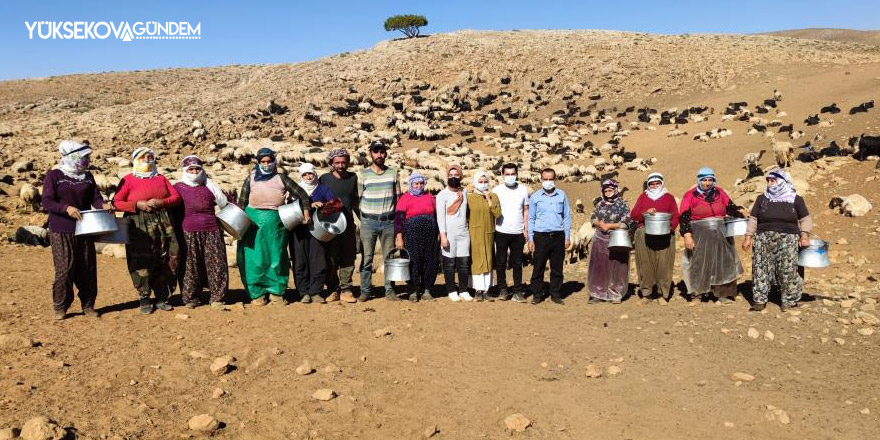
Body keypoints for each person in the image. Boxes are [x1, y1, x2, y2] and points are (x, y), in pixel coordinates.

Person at [237, 147, 311, 306]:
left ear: (274, 162)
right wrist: (238, 224)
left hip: (276, 224)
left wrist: (306, 214)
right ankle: (257, 293)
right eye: (262, 161)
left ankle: (276, 292)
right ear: (258, 162)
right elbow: (242, 203)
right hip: (253, 224)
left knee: (276, 257)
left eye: (269, 161)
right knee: (255, 259)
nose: (266, 164)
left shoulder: (282, 178)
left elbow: (303, 195)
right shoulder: (250, 179)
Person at [41, 140, 106, 319]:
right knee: (65, 268)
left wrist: (103, 205)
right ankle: (60, 306)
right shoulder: (55, 175)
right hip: (61, 228)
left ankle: (88, 305)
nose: (87, 160)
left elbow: (96, 197)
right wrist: (66, 208)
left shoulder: (87, 176)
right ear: (72, 156)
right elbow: (46, 201)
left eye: (88, 157)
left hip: (85, 227)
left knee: (87, 267)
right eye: (84, 157)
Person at [113, 147, 181, 314]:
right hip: (138, 223)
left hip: (163, 222)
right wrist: (137, 204)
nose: (147, 160)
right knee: (141, 259)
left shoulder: (160, 178)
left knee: (165, 256)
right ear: (136, 159)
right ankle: (144, 297)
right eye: (143, 157)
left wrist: (161, 203)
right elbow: (117, 201)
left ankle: (162, 296)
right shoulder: (128, 180)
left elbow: (176, 197)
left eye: (150, 157)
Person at [742, 168, 812, 311]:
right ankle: (759, 300)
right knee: (760, 268)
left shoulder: (795, 199)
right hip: (763, 238)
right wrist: (747, 237)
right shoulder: (762, 198)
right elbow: (753, 218)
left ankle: (789, 300)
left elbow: (805, 219)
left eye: (773, 180)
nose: (770, 183)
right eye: (768, 180)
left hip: (788, 239)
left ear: (782, 181)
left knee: (788, 269)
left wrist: (804, 235)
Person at [678, 167, 747, 303]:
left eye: (710, 180)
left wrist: (741, 212)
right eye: (704, 180)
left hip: (721, 233)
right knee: (699, 262)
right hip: (699, 233)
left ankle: (723, 294)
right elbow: (684, 216)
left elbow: (730, 208)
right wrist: (687, 235)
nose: (707, 183)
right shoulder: (690, 195)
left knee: (723, 261)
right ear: (699, 180)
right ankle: (697, 293)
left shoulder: (720, 193)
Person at [172, 155, 229, 309]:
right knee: (190, 265)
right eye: (191, 169)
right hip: (188, 232)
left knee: (216, 263)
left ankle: (217, 297)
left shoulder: (209, 186)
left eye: (197, 168)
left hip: (212, 230)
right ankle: (191, 297)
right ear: (185, 170)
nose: (195, 171)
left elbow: (225, 202)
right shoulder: (178, 187)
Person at [358, 141, 402, 302]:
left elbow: (398, 199)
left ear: (386, 154)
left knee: (389, 257)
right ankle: (365, 290)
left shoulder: (393, 173)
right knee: (367, 257)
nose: (379, 155)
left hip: (388, 222)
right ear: (371, 154)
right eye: (376, 152)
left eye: (382, 152)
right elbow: (359, 198)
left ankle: (390, 290)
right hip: (368, 222)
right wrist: (363, 219)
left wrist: (398, 224)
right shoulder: (363, 174)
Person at [630, 173, 679, 302]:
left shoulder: (669, 198)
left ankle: (662, 294)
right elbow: (634, 215)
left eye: (657, 183)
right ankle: (646, 294)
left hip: (665, 234)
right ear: (648, 185)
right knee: (645, 264)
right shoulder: (643, 197)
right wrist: (645, 213)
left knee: (664, 264)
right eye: (652, 184)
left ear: (662, 183)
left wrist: (670, 229)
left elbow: (675, 215)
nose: (655, 186)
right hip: (644, 233)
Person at [291, 163, 336, 304]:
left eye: (310, 173)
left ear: (315, 174)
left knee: (318, 260)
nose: (308, 177)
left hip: (318, 230)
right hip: (299, 230)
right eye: (304, 174)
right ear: (301, 176)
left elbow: (335, 204)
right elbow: (290, 207)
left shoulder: (322, 189)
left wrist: (323, 207)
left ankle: (316, 291)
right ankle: (303, 292)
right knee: (300, 260)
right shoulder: (295, 190)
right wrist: (310, 205)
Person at [319, 149, 359, 303]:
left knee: (348, 256)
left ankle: (346, 288)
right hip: (329, 224)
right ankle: (332, 288)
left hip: (348, 224)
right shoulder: (325, 179)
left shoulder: (353, 178)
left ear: (348, 162)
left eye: (343, 162)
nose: (341, 165)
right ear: (332, 163)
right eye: (337, 162)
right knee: (331, 257)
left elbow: (355, 200)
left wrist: (362, 217)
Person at [527, 168, 572, 305]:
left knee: (557, 266)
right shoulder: (535, 197)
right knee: (539, 265)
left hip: (558, 235)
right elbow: (531, 218)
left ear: (555, 179)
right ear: (541, 180)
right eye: (545, 179)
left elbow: (567, 216)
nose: (548, 182)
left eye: (550, 179)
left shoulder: (562, 195)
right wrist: (530, 238)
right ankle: (537, 293)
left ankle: (555, 293)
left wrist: (567, 236)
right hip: (541, 236)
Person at [394, 173, 440, 301]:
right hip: (412, 234)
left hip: (430, 234)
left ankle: (427, 289)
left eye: (421, 183)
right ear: (411, 184)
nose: (419, 186)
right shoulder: (404, 198)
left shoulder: (429, 197)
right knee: (413, 261)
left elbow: (436, 215)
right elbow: (398, 220)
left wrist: (438, 232)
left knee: (430, 260)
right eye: (416, 183)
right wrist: (399, 237)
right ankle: (413, 289)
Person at [588, 179, 633, 304]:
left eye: (610, 190)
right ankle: (597, 293)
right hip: (600, 238)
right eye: (606, 191)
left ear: (615, 190)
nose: (608, 193)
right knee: (599, 266)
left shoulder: (622, 205)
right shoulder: (600, 204)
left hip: (617, 238)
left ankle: (616, 293)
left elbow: (626, 222)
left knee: (617, 266)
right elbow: (593, 217)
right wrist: (599, 223)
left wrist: (609, 226)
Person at [492, 163, 530, 302]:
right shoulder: (497, 190)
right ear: (502, 175)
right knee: (501, 261)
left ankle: (517, 290)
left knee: (517, 262)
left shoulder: (523, 190)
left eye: (512, 174)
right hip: (501, 230)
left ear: (517, 174)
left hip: (518, 231)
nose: (510, 176)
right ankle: (503, 289)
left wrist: (526, 228)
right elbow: (493, 209)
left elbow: (526, 210)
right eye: (507, 174)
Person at [436, 163, 472, 302]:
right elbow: (440, 216)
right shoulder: (442, 195)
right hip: (449, 233)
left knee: (463, 263)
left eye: (456, 175)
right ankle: (451, 290)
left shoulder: (463, 193)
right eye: (451, 175)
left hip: (463, 232)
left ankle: (463, 290)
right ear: (447, 177)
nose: (453, 177)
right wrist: (443, 235)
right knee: (449, 263)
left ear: (460, 176)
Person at [467, 170, 502, 301]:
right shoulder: (470, 198)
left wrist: (488, 199)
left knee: (488, 260)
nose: (483, 184)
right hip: (474, 232)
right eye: (480, 182)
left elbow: (497, 214)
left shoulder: (494, 196)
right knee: (476, 261)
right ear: (475, 183)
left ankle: (487, 290)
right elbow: (466, 216)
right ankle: (477, 290)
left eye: (485, 181)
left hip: (488, 232)